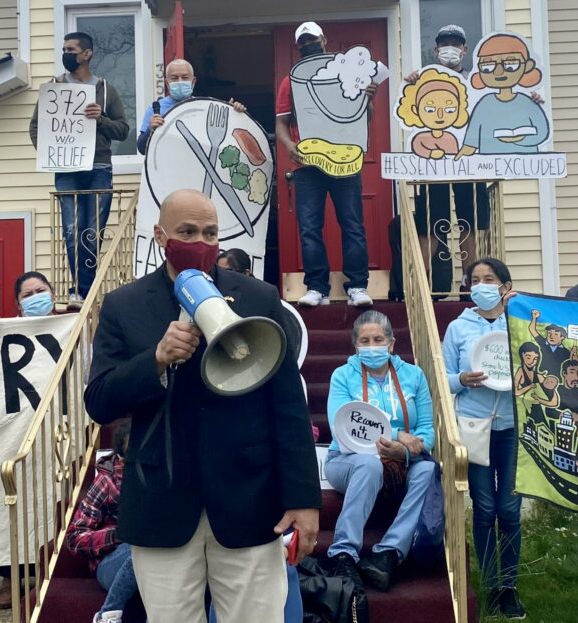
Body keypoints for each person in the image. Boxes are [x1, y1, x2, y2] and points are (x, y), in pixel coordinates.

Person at [84, 189, 320, 623]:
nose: (201, 242)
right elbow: (99, 400)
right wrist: (154, 361)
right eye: (187, 231)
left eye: (210, 233)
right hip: (162, 502)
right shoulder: (124, 305)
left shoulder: (259, 298)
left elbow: (288, 407)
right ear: (160, 235)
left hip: (250, 499)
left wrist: (304, 498)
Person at [324, 309, 435, 591]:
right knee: (370, 464)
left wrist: (406, 452)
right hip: (347, 459)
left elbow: (427, 431)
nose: (372, 346)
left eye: (377, 339)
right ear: (355, 345)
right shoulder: (342, 376)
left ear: (392, 343)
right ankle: (343, 553)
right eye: (365, 340)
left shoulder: (414, 375)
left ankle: (389, 553)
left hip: (403, 461)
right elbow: (342, 424)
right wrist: (397, 434)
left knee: (428, 469)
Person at [404, 25, 521, 292]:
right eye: (444, 43)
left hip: (469, 163)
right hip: (434, 166)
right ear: (435, 50)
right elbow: (408, 109)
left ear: (465, 49)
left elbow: (502, 102)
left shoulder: (477, 81)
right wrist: (410, 83)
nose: (450, 48)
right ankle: (421, 283)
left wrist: (532, 97)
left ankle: (470, 281)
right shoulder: (424, 78)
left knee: (469, 223)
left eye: (455, 43)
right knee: (431, 226)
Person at [441, 257, 525, 619]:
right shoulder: (458, 328)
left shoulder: (521, 321)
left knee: (508, 509)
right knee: (485, 508)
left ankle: (510, 586)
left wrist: (517, 312)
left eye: (489, 278)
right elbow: (441, 379)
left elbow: (540, 364)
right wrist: (462, 380)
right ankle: (491, 583)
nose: (482, 285)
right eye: (475, 279)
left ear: (505, 285)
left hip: (510, 427)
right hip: (473, 428)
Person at [276, 21, 375, 308]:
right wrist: (288, 145)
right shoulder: (290, 81)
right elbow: (281, 122)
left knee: (352, 224)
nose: (309, 45)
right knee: (309, 227)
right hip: (307, 164)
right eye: (304, 42)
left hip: (346, 160)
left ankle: (357, 285)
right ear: (298, 48)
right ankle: (317, 287)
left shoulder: (347, 71)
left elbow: (363, 117)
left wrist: (369, 100)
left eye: (313, 39)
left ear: (324, 39)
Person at [30, 31, 130, 309]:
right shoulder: (54, 87)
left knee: (93, 230)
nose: (66, 54)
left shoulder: (106, 89)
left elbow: (122, 130)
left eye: (71, 49)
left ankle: (82, 289)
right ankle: (81, 290)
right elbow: (36, 126)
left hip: (98, 165)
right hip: (66, 167)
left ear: (87, 54)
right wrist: (51, 151)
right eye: (64, 49)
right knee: (73, 229)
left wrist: (101, 119)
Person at [0, 270, 55, 610]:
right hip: (16, 430)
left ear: (52, 293)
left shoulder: (71, 325)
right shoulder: (5, 333)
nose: (36, 297)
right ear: (18, 303)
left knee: (52, 500)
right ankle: (10, 574)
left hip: (59, 429)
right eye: (28, 294)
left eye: (41, 290)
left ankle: (48, 569)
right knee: (11, 499)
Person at [65, 422, 134, 623]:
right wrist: (116, 536)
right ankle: (107, 615)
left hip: (158, 563)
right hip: (110, 563)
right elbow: (74, 537)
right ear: (121, 453)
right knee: (140, 547)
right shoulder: (108, 481)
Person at [456, 33, 550, 157]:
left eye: (510, 65)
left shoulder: (528, 102)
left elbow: (543, 132)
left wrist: (522, 139)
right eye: (488, 66)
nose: (499, 71)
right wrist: (462, 155)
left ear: (527, 66)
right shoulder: (484, 104)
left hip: (524, 164)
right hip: (489, 166)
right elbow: (473, 134)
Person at [137, 59, 247, 155]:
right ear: (167, 82)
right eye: (174, 78)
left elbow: (228, 140)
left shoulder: (204, 107)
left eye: (185, 77)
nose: (180, 81)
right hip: (167, 171)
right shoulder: (156, 108)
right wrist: (150, 129)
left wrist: (235, 113)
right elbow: (142, 149)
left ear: (193, 81)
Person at [527, 311, 570, 379]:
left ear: (562, 337)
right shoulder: (543, 343)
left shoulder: (566, 352)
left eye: (556, 334)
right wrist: (534, 318)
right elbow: (532, 330)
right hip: (540, 378)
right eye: (549, 333)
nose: (551, 336)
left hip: (558, 381)